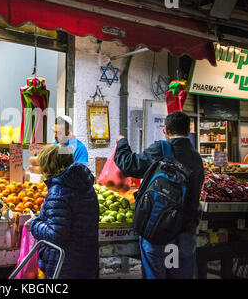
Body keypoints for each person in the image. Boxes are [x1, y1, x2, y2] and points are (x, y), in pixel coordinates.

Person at [114, 110, 204, 279]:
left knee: (155, 274)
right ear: (188, 130)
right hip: (186, 231)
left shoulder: (161, 149)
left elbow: (129, 165)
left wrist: (122, 143)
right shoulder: (196, 158)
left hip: (158, 229)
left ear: (167, 130)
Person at [27, 144, 99, 279]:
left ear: (48, 165)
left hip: (65, 264)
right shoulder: (86, 186)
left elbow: (55, 235)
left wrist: (34, 223)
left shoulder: (59, 191)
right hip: (86, 260)